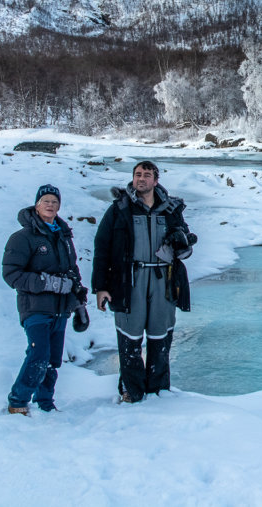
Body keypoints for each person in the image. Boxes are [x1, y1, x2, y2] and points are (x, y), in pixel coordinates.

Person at [92, 160, 195, 403]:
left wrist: (182, 242)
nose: (141, 179)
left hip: (163, 280)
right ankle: (131, 390)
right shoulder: (119, 209)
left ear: (156, 180)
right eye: (138, 174)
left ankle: (159, 390)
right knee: (130, 337)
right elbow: (101, 247)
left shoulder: (171, 210)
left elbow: (185, 250)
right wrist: (101, 287)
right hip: (129, 279)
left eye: (147, 175)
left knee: (161, 335)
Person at [2, 184, 87, 415]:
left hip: (60, 307)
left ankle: (45, 402)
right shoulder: (23, 237)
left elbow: (72, 268)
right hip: (35, 307)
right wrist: (47, 283)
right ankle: (18, 400)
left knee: (52, 359)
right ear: (37, 205)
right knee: (38, 354)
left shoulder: (62, 235)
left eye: (54, 202)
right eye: (46, 201)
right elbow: (11, 274)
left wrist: (78, 293)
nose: (50, 205)